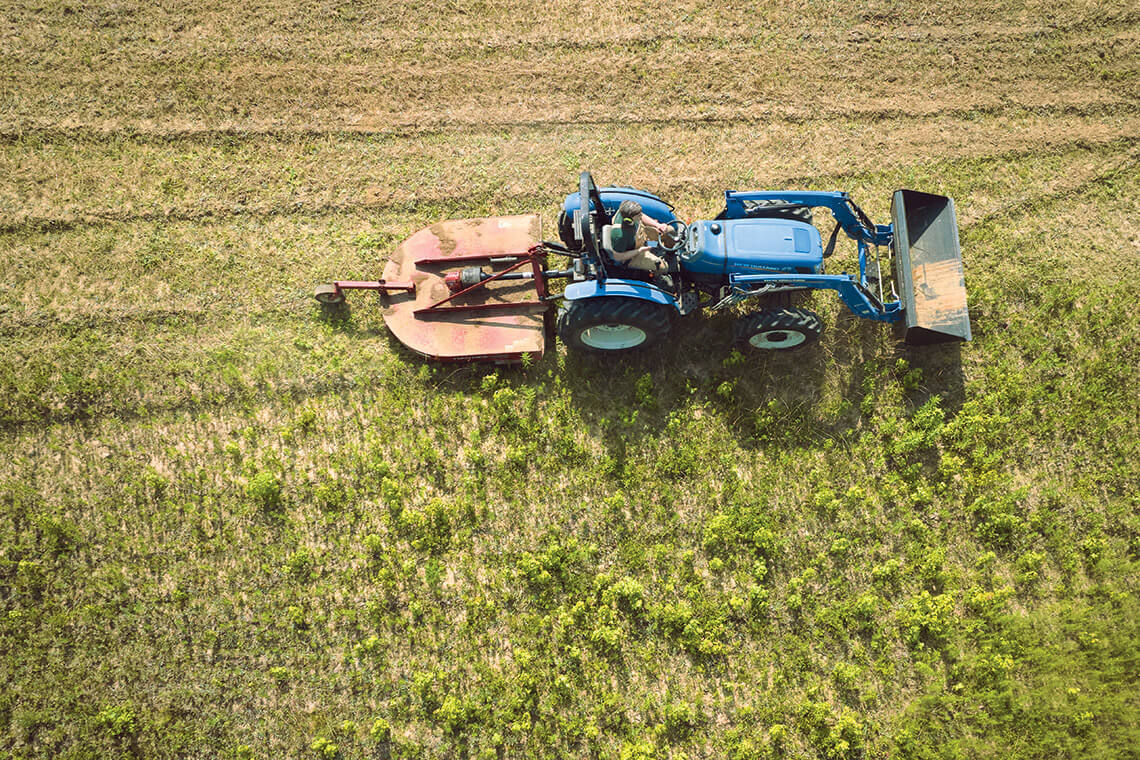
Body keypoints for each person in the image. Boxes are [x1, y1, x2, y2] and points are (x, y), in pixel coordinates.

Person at [607, 199, 674, 274]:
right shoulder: (620, 236)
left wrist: (657, 225)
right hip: (633, 254)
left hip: (642, 239)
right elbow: (618, 257)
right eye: (639, 215)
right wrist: (640, 250)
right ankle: (657, 276)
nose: (641, 216)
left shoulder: (626, 212)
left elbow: (642, 216)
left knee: (669, 231)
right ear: (629, 219)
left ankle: (670, 253)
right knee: (662, 266)